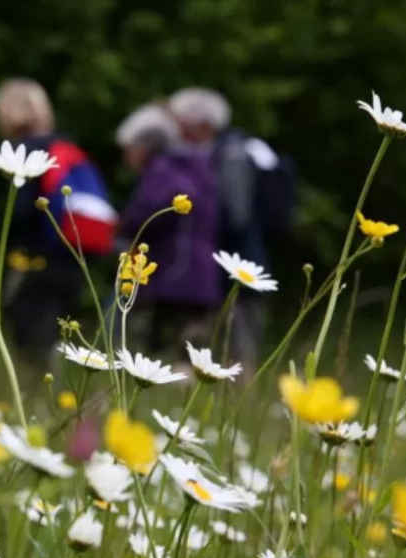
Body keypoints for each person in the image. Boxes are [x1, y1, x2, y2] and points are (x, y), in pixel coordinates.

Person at [0, 78, 117, 364]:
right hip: (76, 254)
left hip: (41, 256)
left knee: (32, 330)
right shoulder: (65, 146)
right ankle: (51, 390)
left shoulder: (25, 150)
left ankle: (38, 390)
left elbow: (19, 212)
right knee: (59, 328)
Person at [167, 87, 296, 373]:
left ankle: (241, 413)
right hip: (225, 267)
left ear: (203, 125)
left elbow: (236, 217)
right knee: (209, 353)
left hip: (241, 268)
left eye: (182, 124)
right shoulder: (226, 153)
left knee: (238, 356)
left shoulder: (231, 156)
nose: (177, 131)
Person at [117, 103, 221, 355]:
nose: (126, 156)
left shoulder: (166, 169)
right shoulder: (196, 165)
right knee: (189, 353)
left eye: (129, 148)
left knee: (161, 353)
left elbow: (153, 208)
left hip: (175, 276)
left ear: (146, 146)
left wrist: (125, 225)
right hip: (197, 275)